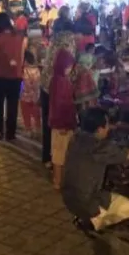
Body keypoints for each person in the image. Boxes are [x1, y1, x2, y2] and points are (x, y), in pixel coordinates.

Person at [61, 107, 129, 231]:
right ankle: (95, 222)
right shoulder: (100, 147)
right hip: (87, 202)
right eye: (107, 125)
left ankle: (85, 217)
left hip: (69, 197)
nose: (109, 128)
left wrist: (123, 127)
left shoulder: (76, 137)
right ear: (99, 129)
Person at [0, 12, 27, 142]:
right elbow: (22, 55)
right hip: (16, 76)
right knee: (13, 105)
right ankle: (11, 134)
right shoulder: (20, 37)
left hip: (0, 74)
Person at [49, 41, 78, 189]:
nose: (70, 69)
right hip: (62, 124)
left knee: (58, 153)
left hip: (59, 123)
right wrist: (64, 124)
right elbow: (61, 105)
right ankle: (58, 181)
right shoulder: (62, 82)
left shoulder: (56, 79)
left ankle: (58, 181)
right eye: (68, 67)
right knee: (60, 154)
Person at [20, 49, 41, 137]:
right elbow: (37, 84)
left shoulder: (24, 70)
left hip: (25, 96)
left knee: (26, 114)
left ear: (25, 60)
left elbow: (25, 83)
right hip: (35, 96)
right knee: (36, 113)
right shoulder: (37, 70)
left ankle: (28, 129)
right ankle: (38, 129)